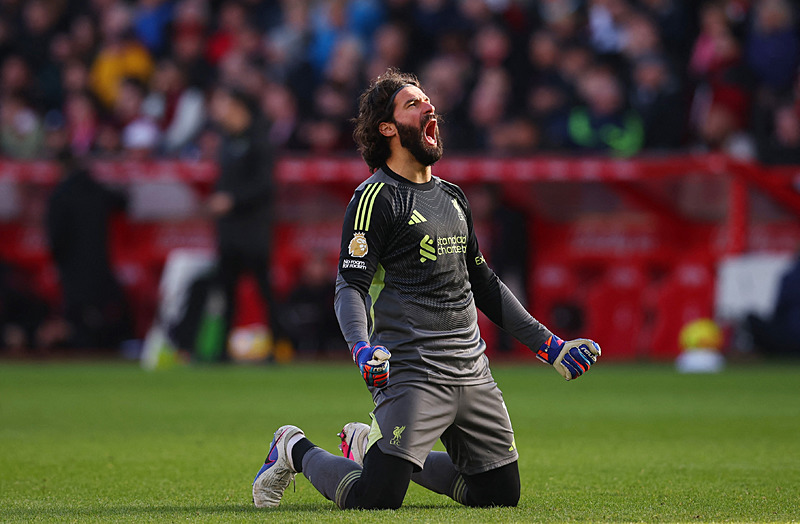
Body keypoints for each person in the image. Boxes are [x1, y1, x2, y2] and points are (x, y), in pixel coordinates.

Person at [250, 69, 602, 510]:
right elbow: (350, 286)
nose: (429, 107)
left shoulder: (454, 196)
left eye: (427, 100)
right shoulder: (374, 198)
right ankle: (293, 448)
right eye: (413, 104)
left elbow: (485, 284)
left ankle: (369, 449)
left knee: (499, 496)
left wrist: (550, 346)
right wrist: (361, 350)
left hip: (471, 368)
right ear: (388, 128)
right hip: (412, 370)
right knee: (376, 499)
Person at [206, 85, 279, 359]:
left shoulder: (260, 140)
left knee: (264, 292)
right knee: (225, 294)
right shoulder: (226, 140)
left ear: (239, 109)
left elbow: (265, 185)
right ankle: (221, 351)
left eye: (226, 105)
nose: (221, 112)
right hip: (229, 232)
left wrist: (232, 200)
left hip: (254, 231)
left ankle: (279, 346)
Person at [45, 151, 131, 349]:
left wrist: (58, 261)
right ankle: (108, 346)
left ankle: (82, 349)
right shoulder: (96, 189)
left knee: (77, 316)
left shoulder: (60, 195)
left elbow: (56, 237)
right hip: (99, 263)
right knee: (102, 311)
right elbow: (123, 202)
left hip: (72, 265)